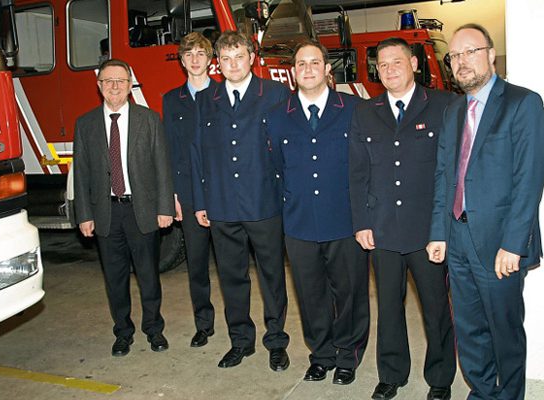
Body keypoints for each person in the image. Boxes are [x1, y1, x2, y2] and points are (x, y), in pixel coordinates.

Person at [426, 24, 544, 399]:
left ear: (491, 54)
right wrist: (438, 232)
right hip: (458, 238)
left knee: (504, 331)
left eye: (470, 52)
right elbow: (445, 175)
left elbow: (528, 181)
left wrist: (514, 245)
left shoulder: (523, 103)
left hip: (500, 245)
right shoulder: (452, 111)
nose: (462, 62)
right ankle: (480, 392)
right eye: (455, 56)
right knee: (469, 329)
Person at [349, 37, 456, 400]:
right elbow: (358, 172)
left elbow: (451, 172)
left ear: (413, 64)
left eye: (397, 62)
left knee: (436, 307)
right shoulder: (366, 110)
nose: (389, 70)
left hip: (428, 230)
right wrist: (361, 222)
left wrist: (443, 227)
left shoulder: (443, 105)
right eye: (383, 65)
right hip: (382, 229)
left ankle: (440, 378)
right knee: (389, 306)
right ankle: (392, 373)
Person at [266, 40, 369, 386]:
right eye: (300, 64)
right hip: (299, 223)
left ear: (328, 69)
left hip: (345, 221)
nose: (307, 68)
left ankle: (347, 355)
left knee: (350, 293)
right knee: (310, 296)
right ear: (293, 74)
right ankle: (321, 354)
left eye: (314, 62)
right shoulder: (278, 116)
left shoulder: (354, 109)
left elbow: (366, 166)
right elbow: (276, 168)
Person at [190, 31, 291, 371]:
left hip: (265, 203)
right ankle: (241, 341)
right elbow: (199, 152)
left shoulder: (275, 94)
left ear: (252, 58)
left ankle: (276, 341)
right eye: (226, 58)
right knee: (232, 277)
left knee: (272, 276)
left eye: (239, 56)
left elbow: (287, 148)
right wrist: (202, 201)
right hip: (222, 204)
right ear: (218, 63)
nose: (233, 64)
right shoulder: (207, 99)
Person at [73, 59, 175, 357]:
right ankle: (123, 332)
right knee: (115, 278)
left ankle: (154, 330)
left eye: (120, 81)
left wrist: (164, 207)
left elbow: (162, 167)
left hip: (141, 211)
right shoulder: (86, 124)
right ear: (99, 86)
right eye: (108, 81)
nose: (114, 86)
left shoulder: (149, 119)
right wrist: (84, 214)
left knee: (148, 276)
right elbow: (81, 173)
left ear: (131, 85)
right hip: (106, 214)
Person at [162, 32, 218, 348]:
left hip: (224, 194)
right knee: (197, 265)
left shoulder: (225, 95)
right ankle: (204, 324)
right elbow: (170, 149)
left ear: (211, 60)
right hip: (187, 193)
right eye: (188, 54)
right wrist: (172, 195)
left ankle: (242, 327)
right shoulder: (172, 100)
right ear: (182, 61)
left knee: (232, 267)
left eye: (200, 53)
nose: (195, 59)